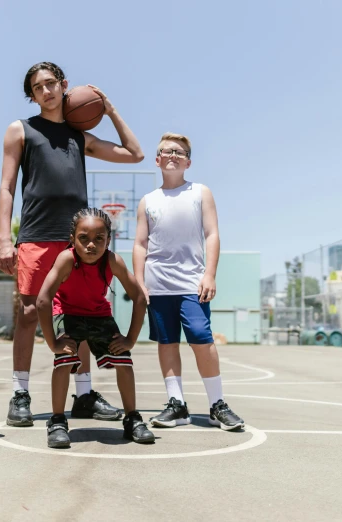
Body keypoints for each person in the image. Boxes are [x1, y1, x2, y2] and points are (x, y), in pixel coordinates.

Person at [0, 62, 144, 427]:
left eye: (51, 84)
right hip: (35, 235)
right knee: (29, 314)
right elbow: (7, 186)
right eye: (37, 87)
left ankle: (83, 394)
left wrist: (108, 109)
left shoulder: (80, 137)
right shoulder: (22, 130)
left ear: (64, 86)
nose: (45, 91)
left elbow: (135, 154)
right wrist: (4, 237)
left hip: (78, 242)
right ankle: (20, 393)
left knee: (80, 316)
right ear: (31, 95)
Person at [133, 133, 244, 431]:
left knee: (200, 338)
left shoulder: (200, 192)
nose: (172, 154)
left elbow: (212, 234)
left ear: (188, 161)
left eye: (178, 151)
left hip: (192, 283)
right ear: (157, 160)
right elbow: (141, 244)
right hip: (158, 285)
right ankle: (177, 404)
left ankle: (216, 404)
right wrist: (139, 282)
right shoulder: (148, 201)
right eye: (165, 151)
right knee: (166, 342)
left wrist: (209, 273)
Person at [36, 208, 154, 448]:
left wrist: (130, 339)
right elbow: (42, 299)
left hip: (98, 315)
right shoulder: (67, 259)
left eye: (99, 238)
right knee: (64, 359)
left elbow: (140, 297)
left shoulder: (112, 260)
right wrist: (53, 343)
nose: (91, 245)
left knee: (124, 360)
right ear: (72, 239)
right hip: (67, 314)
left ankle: (132, 419)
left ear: (108, 240)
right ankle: (57, 421)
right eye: (84, 238)